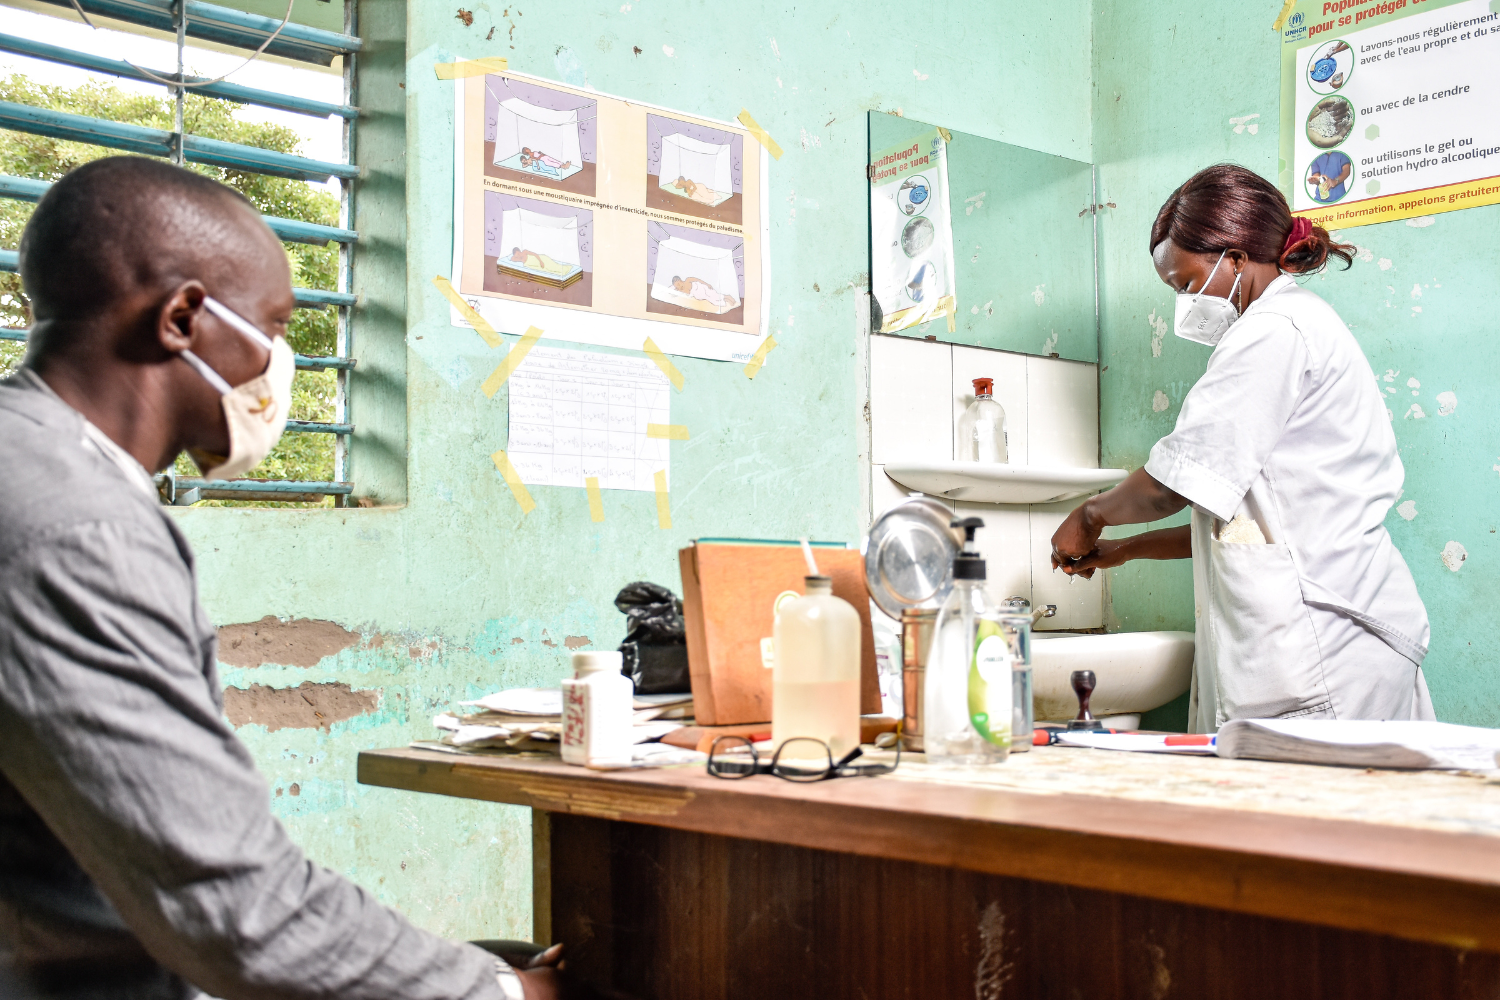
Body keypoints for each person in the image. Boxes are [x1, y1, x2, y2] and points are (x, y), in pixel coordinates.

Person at [0, 157, 623, 1000]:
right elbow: (240, 916)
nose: (277, 360)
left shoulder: (39, 467)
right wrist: (507, 995)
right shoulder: (77, 530)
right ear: (183, 317)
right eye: (273, 324)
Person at [1050, 164, 1434, 732]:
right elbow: (1245, 529)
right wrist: (1126, 552)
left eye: (1185, 284)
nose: (1183, 302)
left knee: (1311, 820)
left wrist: (1090, 516)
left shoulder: (1275, 331)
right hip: (1334, 631)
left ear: (1233, 258)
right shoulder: (1289, 326)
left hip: (1326, 648)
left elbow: (1168, 488)